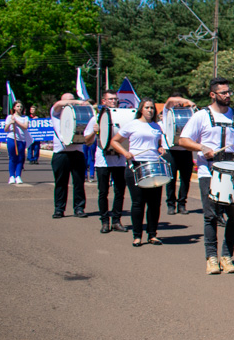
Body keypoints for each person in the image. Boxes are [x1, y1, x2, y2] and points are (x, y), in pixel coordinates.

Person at [178, 77, 234, 274]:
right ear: (213, 94)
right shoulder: (201, 116)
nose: (227, 96)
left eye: (228, 92)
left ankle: (227, 256)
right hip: (209, 171)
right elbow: (183, 140)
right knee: (211, 215)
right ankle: (211, 257)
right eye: (223, 93)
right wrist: (201, 147)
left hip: (232, 171)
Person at [109, 98, 166, 247]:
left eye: (152, 108)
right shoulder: (133, 125)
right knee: (138, 202)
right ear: (141, 109)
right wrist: (125, 153)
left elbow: (158, 144)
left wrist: (160, 149)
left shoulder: (156, 126)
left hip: (153, 165)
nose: (150, 110)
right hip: (136, 165)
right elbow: (114, 141)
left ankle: (152, 235)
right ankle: (137, 235)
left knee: (154, 203)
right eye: (147, 107)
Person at [82, 90, 128, 233]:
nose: (113, 101)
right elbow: (87, 141)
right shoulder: (96, 118)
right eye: (110, 99)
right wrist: (95, 132)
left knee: (120, 192)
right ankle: (104, 221)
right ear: (104, 101)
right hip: (103, 161)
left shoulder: (122, 117)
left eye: (115, 99)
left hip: (119, 160)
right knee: (103, 192)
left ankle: (116, 220)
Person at [49, 93, 90, 218]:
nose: (71, 103)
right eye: (68, 101)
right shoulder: (56, 113)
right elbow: (58, 105)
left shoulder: (77, 114)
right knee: (61, 183)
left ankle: (79, 208)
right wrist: (77, 102)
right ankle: (59, 209)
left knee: (78, 182)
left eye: (72, 100)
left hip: (77, 152)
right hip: (61, 153)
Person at [160, 97, 195, 215]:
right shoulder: (167, 113)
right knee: (171, 179)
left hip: (185, 150)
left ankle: (182, 204)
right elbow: (169, 99)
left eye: (180, 103)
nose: (178, 104)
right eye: (176, 103)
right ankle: (171, 204)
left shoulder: (188, 115)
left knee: (185, 179)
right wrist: (187, 100)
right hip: (171, 151)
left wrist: (191, 106)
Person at [3, 100, 29, 184]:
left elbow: (25, 127)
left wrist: (16, 121)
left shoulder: (25, 118)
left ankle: (18, 176)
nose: (19, 108)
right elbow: (5, 129)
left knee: (20, 158)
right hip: (12, 139)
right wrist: (11, 122)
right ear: (14, 107)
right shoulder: (10, 117)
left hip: (21, 140)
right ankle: (12, 176)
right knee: (12, 157)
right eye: (18, 106)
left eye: (21, 107)